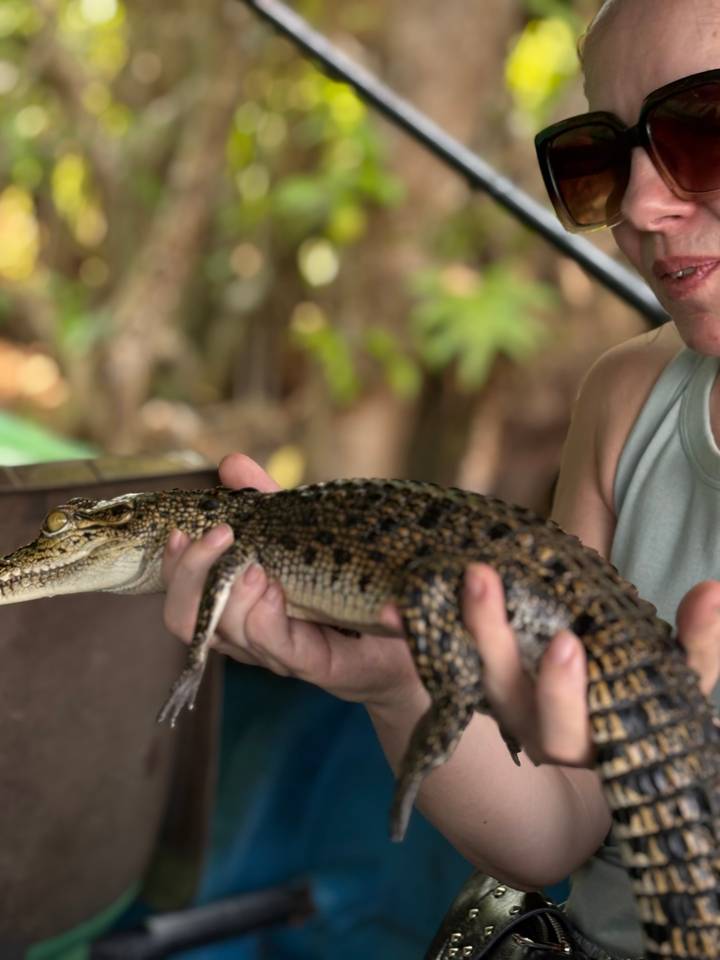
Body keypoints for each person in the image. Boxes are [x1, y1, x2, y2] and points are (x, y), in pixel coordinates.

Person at [161, 0, 720, 955]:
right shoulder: (624, 400)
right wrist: (398, 686)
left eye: (700, 131)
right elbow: (559, 825)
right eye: (598, 157)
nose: (637, 203)